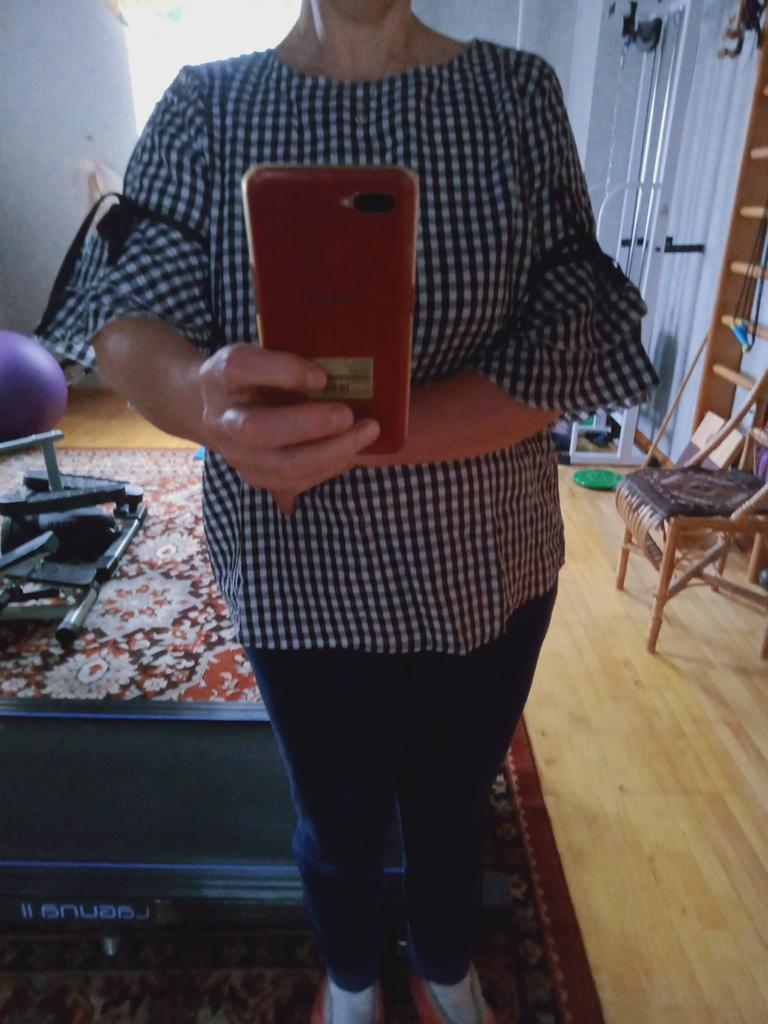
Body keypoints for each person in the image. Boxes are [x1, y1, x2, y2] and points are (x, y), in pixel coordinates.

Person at [37, 1, 658, 1020]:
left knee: (453, 807)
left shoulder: (516, 95)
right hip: (296, 572)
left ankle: (445, 967)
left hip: (483, 567)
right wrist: (202, 397)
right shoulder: (205, 104)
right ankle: (355, 976)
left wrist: (364, 433)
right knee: (336, 818)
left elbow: (573, 332)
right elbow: (125, 312)